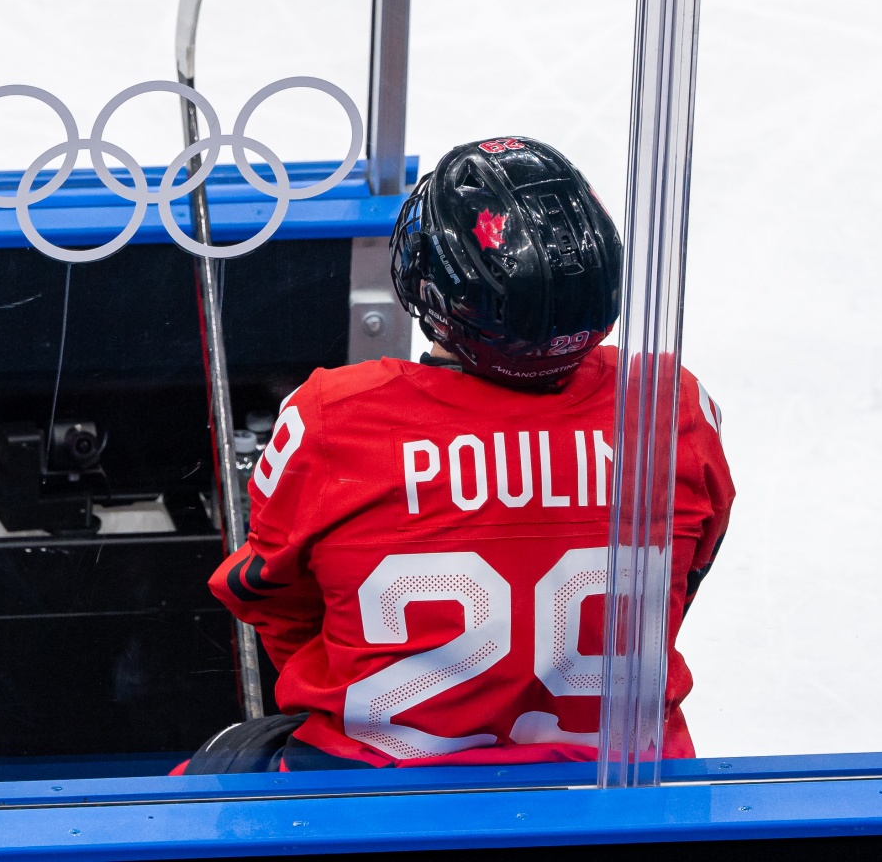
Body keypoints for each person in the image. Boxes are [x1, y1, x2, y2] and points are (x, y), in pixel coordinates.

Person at [187, 136, 735, 774]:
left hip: (377, 800)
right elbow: (687, 570)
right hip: (616, 787)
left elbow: (273, 596)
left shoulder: (334, 417)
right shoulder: (672, 407)